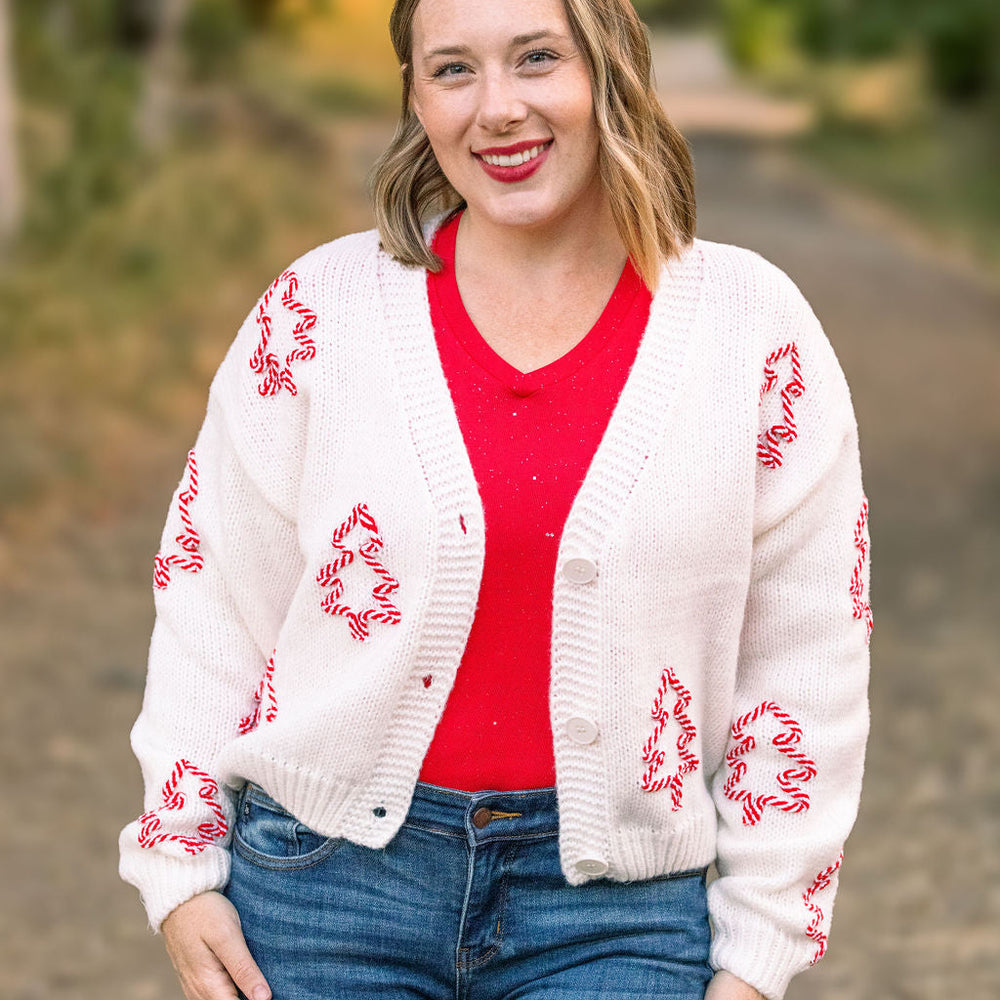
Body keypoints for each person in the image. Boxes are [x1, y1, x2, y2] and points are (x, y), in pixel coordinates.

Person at [119, 1, 872, 998]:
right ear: (415, 97)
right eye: (453, 70)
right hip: (322, 894)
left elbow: (806, 653)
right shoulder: (318, 312)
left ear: (609, 69)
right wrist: (178, 868)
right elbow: (212, 594)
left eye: (536, 59)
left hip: (617, 917)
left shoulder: (750, 330)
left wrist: (762, 944)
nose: (498, 109)